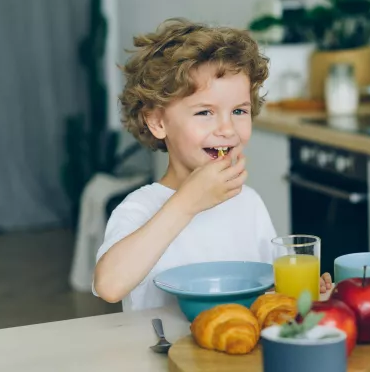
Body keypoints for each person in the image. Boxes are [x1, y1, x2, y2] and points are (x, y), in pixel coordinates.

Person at [93, 19, 333, 311]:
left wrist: (304, 292)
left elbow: (271, 290)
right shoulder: (140, 208)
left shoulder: (249, 203)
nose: (227, 128)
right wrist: (186, 203)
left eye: (238, 111)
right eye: (205, 111)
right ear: (157, 121)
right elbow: (109, 286)